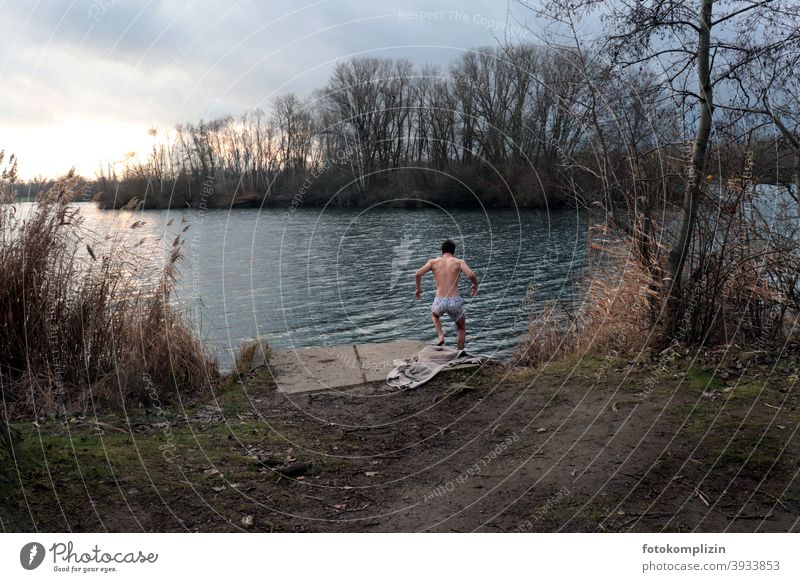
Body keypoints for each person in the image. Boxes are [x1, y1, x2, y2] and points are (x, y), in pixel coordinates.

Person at [414, 239, 478, 350]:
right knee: (461, 328)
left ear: (442, 251)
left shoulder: (433, 262)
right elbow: (471, 275)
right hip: (454, 300)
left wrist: (419, 289)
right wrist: (474, 285)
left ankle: (441, 335)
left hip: (440, 300)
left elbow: (418, 274)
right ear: (454, 251)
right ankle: (460, 353)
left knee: (434, 315)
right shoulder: (459, 262)